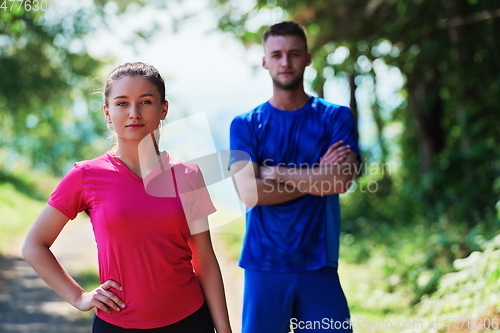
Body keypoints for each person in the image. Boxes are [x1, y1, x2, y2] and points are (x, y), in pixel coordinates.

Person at [23, 62, 232, 333]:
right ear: (108, 113)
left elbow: (204, 259)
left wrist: (224, 330)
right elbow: (34, 245)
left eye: (145, 101)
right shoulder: (86, 176)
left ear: (163, 109)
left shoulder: (188, 175)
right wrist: (78, 297)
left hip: (190, 320)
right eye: (122, 103)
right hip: (117, 325)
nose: (134, 113)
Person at [228, 22, 360, 333]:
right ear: (265, 61)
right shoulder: (244, 125)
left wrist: (274, 172)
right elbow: (248, 193)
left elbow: (340, 181)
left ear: (307, 59)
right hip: (263, 264)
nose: (285, 62)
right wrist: (317, 177)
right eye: (276, 54)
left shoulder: (335, 117)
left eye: (293, 54)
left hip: (319, 263)